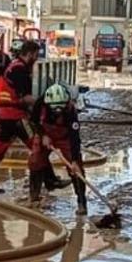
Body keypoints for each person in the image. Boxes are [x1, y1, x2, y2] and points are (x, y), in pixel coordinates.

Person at [0, 39, 41, 196]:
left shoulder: (14, 65)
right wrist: (42, 103)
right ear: (31, 54)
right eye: (36, 55)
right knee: (37, 147)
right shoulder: (20, 69)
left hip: (7, 115)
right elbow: (25, 97)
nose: (37, 58)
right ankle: (41, 185)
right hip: (15, 116)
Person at [31, 83, 88, 214]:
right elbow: (33, 122)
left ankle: (81, 202)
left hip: (65, 137)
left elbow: (75, 137)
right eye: (54, 109)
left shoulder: (71, 110)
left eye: (60, 108)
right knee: (35, 160)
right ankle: (34, 196)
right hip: (45, 134)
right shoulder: (40, 103)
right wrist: (43, 135)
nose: (57, 111)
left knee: (77, 169)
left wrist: (74, 160)